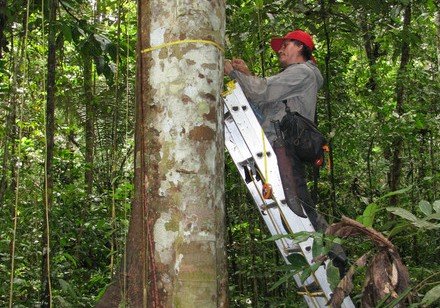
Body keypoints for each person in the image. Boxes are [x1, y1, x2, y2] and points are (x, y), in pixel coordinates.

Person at [224, 29, 347, 277]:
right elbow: (267, 102)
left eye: (285, 45)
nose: (280, 49)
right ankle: (333, 258)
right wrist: (246, 76)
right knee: (295, 200)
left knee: (297, 203)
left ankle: (336, 261)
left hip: (284, 144)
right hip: (279, 142)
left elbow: (262, 91)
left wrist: (233, 72)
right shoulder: (294, 76)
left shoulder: (302, 72)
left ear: (300, 47)